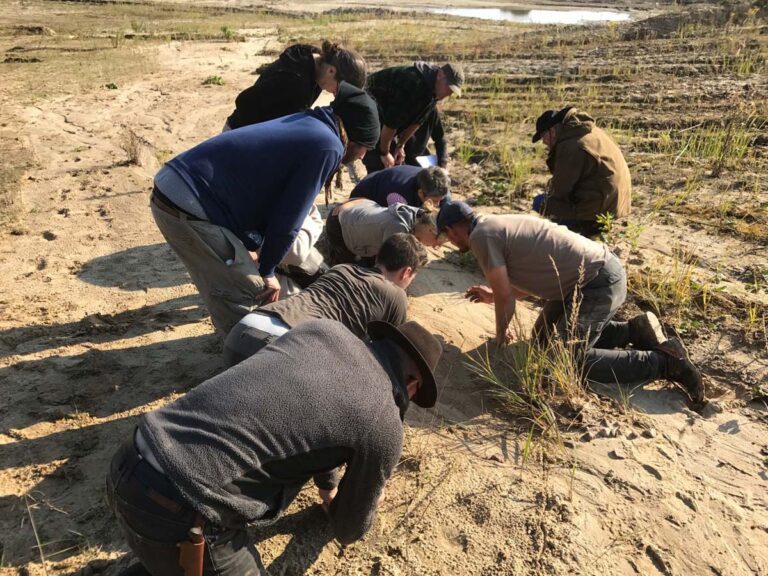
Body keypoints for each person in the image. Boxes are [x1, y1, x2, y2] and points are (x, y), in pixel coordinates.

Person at [106, 318, 443, 576]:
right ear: (412, 385)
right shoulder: (385, 421)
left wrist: (328, 483)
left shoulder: (322, 330)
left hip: (131, 456)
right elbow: (348, 529)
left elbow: (310, 408)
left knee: (168, 560)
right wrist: (371, 498)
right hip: (183, 508)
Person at [150, 82, 380, 334]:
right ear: (354, 136)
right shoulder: (328, 145)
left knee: (250, 275)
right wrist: (268, 270)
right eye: (365, 148)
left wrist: (259, 249)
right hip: (187, 203)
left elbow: (270, 196)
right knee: (249, 291)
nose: (361, 156)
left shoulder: (312, 123)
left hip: (183, 188)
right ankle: (243, 360)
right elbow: (288, 219)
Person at [437, 201, 705, 406]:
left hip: (596, 283)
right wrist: (494, 296)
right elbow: (512, 287)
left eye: (448, 235)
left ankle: (665, 363)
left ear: (453, 228)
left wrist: (498, 337)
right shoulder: (492, 225)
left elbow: (508, 298)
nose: (451, 241)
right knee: (543, 339)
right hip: (586, 280)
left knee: (567, 359)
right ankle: (633, 331)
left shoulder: (481, 237)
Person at [224, 233, 428, 366]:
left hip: (244, 329)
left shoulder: (342, 268)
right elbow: (391, 357)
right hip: (283, 347)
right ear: (406, 272)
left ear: (377, 258)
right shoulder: (396, 295)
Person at [531, 106, 631, 238]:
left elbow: (560, 189)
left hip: (598, 207)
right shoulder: (588, 131)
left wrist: (550, 190)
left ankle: (576, 233)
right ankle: (590, 229)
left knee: (540, 202)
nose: (543, 142)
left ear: (553, 131)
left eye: (543, 136)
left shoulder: (570, 145)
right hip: (616, 203)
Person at [224, 41, 366, 131]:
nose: (336, 94)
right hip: (240, 136)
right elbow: (244, 101)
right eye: (339, 90)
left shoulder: (316, 60)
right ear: (331, 71)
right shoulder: (295, 81)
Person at [363, 62, 463, 174]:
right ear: (440, 75)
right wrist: (384, 153)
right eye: (449, 88)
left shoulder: (432, 92)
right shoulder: (413, 83)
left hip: (385, 120)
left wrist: (400, 145)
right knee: (379, 165)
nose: (450, 94)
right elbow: (391, 123)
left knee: (395, 161)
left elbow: (416, 122)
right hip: (368, 111)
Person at [325, 199, 438, 267]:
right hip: (339, 224)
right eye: (437, 243)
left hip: (358, 207)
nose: (434, 246)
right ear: (431, 229)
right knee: (350, 274)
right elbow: (385, 268)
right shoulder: (398, 228)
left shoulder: (414, 214)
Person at [349, 165, 450, 208]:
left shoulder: (437, 187)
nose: (437, 205)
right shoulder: (400, 195)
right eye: (434, 201)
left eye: (440, 200)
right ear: (420, 193)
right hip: (364, 196)